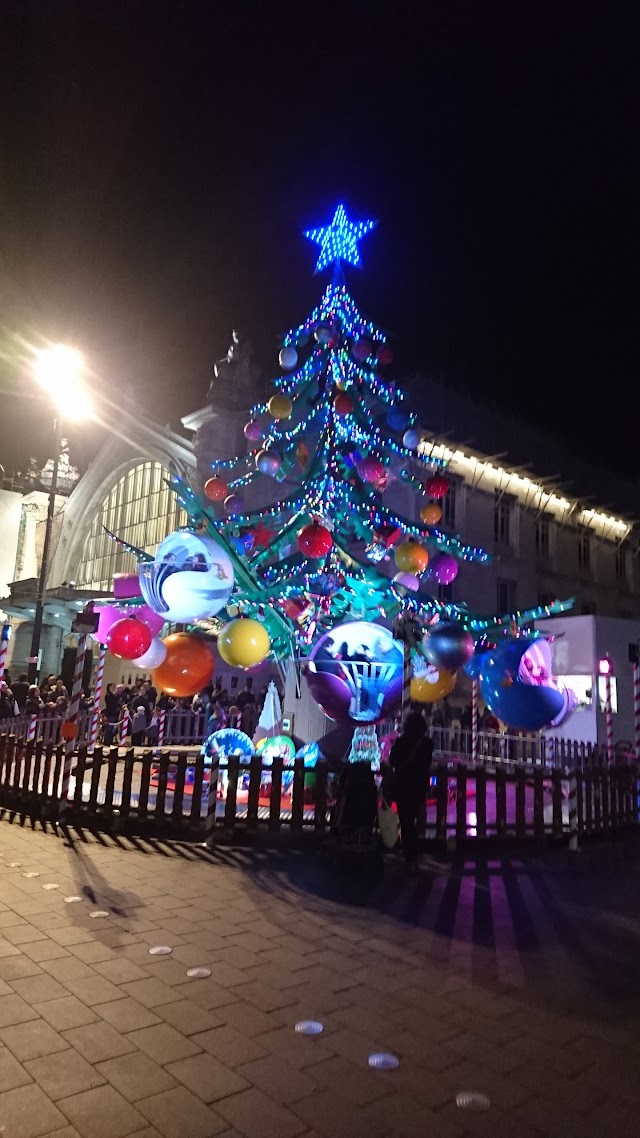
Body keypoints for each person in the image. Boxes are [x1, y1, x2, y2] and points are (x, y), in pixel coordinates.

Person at [388, 710, 434, 869]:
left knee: (406, 820)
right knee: (415, 818)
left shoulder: (401, 742)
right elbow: (427, 763)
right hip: (419, 786)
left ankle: (410, 854)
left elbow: (393, 761)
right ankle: (415, 851)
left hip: (403, 785)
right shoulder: (427, 744)